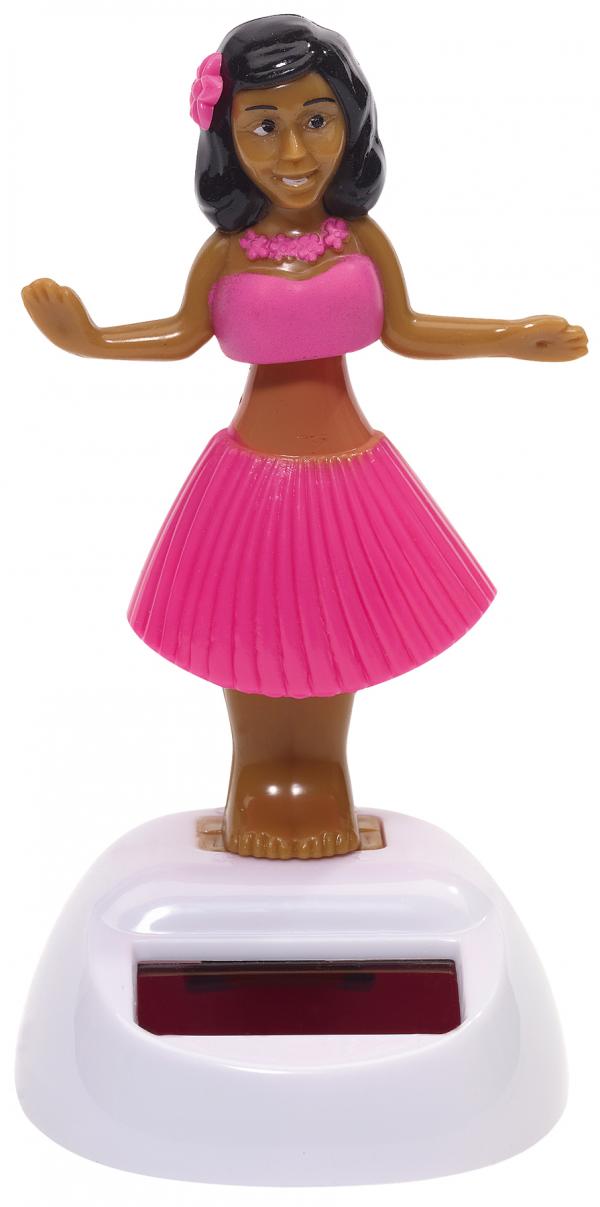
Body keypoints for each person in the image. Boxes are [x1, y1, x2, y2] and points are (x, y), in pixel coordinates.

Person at [21, 15, 587, 860]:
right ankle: (258, 774)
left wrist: (508, 336)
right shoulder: (227, 254)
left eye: (317, 119)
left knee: (334, 629)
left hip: (351, 475)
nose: (293, 150)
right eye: (264, 125)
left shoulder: (360, 241)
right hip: (252, 479)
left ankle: (320, 773)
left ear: (352, 123)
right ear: (227, 137)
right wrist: (91, 340)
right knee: (250, 629)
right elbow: (181, 334)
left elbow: (407, 329)